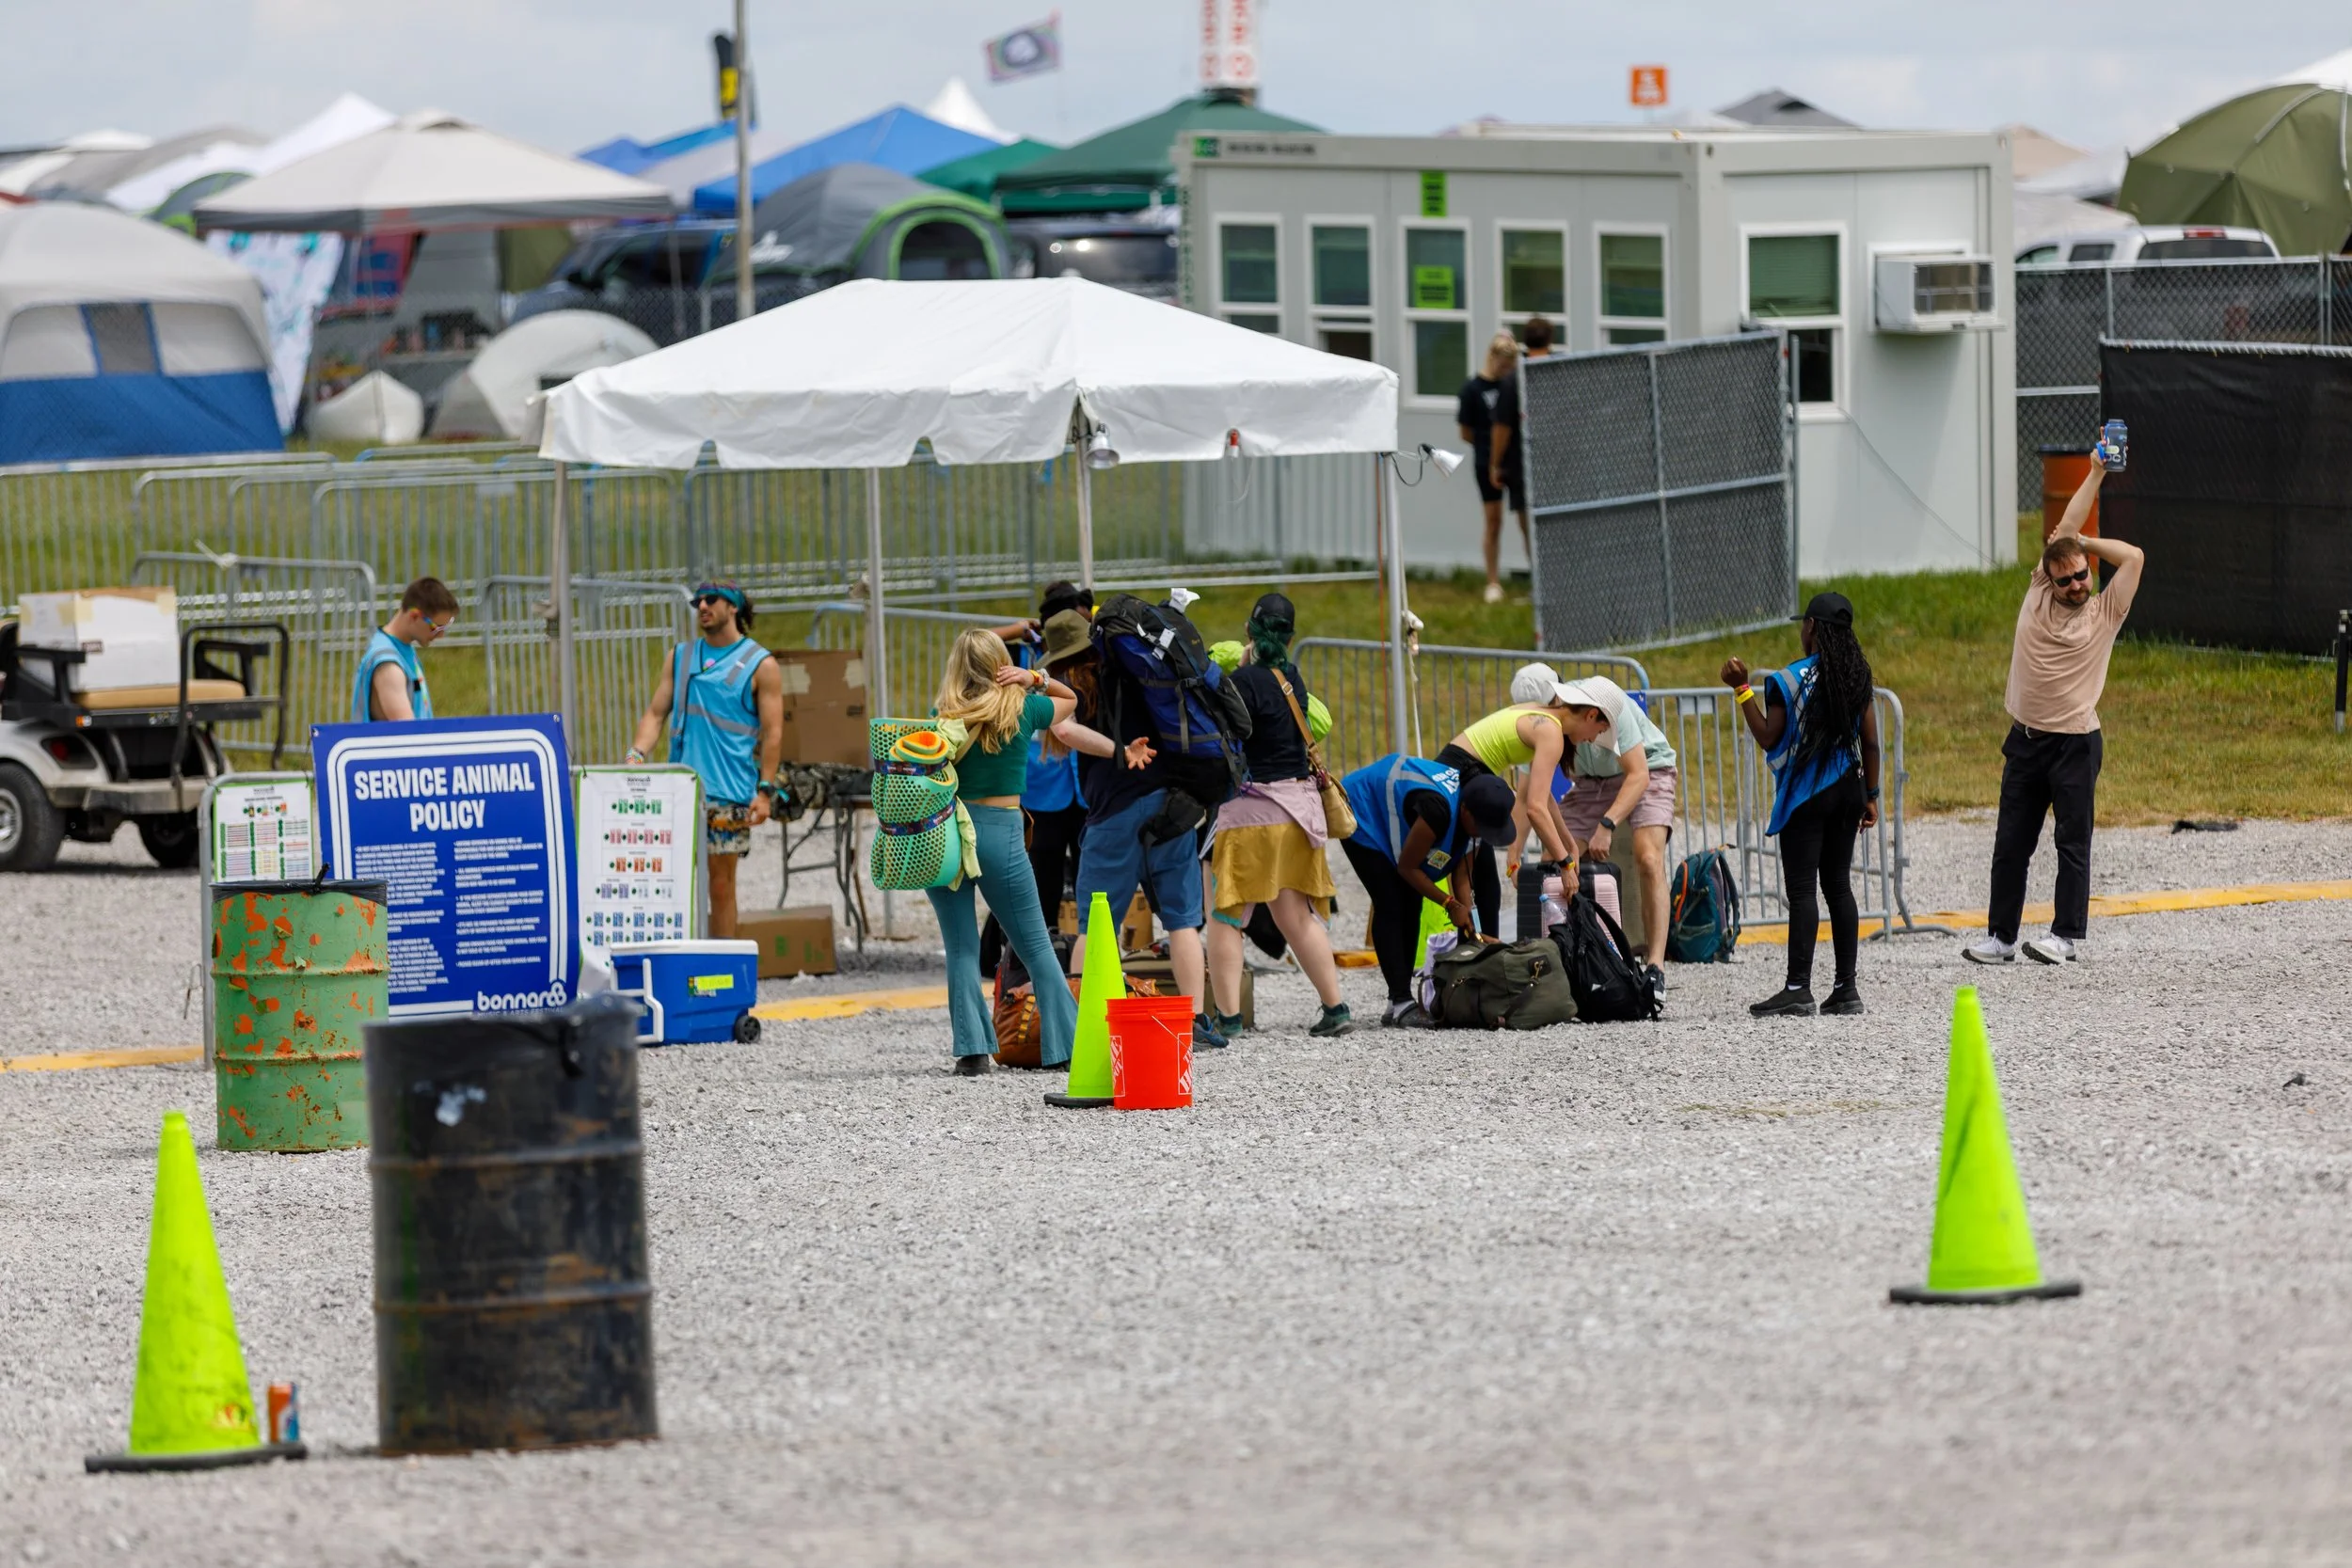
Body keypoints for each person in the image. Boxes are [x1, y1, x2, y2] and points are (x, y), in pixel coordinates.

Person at [1965, 450, 2144, 966]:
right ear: (2047, 578)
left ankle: (2064, 937)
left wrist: (2083, 543)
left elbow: (2132, 557)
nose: (2075, 586)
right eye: (2065, 578)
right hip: (2025, 739)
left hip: (2074, 742)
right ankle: (2000, 939)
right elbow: (2063, 522)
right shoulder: (2039, 590)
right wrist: (2095, 472)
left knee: (2072, 842)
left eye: (2082, 576)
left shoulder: (2106, 609)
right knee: (2010, 845)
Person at [1053, 613, 1232, 1051]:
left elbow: (1061, 729)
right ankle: (1193, 1022)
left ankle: (1086, 1023)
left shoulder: (1073, 689)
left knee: (1096, 928)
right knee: (1183, 920)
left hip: (1112, 813)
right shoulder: (1143, 674)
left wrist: (1115, 752)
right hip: (1168, 805)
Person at [924, 628, 1081, 1077]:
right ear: (1001, 665)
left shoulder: (944, 716)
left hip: (948, 834)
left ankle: (972, 1052)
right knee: (1034, 944)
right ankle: (1063, 1047)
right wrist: (1034, 678)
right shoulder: (1024, 709)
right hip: (1000, 832)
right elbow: (1070, 702)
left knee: (960, 946)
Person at [1200, 593, 1355, 1039]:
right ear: (1290, 637)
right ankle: (1335, 1007)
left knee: (1225, 916)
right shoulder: (1293, 680)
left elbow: (1226, 736)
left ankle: (1228, 1018)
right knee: (1297, 917)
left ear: (1248, 632)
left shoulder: (1241, 682)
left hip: (1251, 813)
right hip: (1299, 812)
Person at [1721, 591, 1883, 1017]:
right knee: (1839, 887)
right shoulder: (1856, 676)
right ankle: (1846, 989)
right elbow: (1870, 741)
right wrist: (1872, 796)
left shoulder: (1786, 680)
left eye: (1803, 624)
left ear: (1812, 628)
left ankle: (1797, 988)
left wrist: (1741, 689)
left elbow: (1769, 736)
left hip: (1807, 795)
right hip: (1849, 787)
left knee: (1802, 890)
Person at [625, 582, 784, 941]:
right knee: (673, 887)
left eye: (712, 600)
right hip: (679, 790)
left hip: (728, 794)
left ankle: (722, 967)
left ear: (734, 609)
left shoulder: (762, 665)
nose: (703, 607)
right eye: (698, 601)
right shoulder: (680, 656)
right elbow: (655, 714)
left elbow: (773, 734)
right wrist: (636, 755)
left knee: (721, 887)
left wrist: (765, 792)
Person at [1522, 668, 1679, 993]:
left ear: (1558, 699)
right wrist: (1514, 852)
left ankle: (1655, 966)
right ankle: (1559, 961)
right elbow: (1528, 794)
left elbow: (1639, 776)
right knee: (1551, 861)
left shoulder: (1605, 701)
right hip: (1591, 784)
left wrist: (1606, 825)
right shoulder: (1539, 724)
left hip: (1647, 768)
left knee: (1648, 857)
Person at [1338, 754, 1520, 1028]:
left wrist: (1467, 916)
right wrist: (1449, 904)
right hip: (1362, 808)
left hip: (1395, 815)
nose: (1485, 834)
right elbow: (1408, 868)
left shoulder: (1476, 813)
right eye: (1484, 829)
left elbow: (1461, 873)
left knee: (1412, 903)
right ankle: (1399, 1002)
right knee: (1393, 900)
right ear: (1467, 812)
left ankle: (1396, 1004)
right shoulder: (1438, 811)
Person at [977, 585, 1094, 977]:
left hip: (1081, 786)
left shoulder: (1085, 656)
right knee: (1040, 876)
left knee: (1085, 877)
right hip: (1042, 788)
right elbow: (976, 644)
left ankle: (1076, 956)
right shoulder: (1022, 657)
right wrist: (1018, 629)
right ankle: (1022, 961)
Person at [1438, 679, 1582, 939]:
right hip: (1465, 773)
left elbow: (1543, 796)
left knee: (1484, 881)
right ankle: (1476, 950)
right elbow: (1536, 809)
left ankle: (1479, 951)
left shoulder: (1537, 716)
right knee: (1472, 875)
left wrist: (1568, 843)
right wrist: (1566, 864)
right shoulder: (1550, 731)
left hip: (1461, 767)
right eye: (1596, 731)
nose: (1591, 740)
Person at [1456, 331, 1527, 605]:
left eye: (1511, 366)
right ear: (1492, 357)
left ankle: (1537, 580)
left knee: (1526, 522)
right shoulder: (1472, 389)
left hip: (1516, 462)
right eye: (1503, 365)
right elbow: (1466, 432)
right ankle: (1493, 581)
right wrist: (1490, 451)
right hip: (1487, 462)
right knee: (1493, 522)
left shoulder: (1513, 386)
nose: (1507, 371)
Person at [350, 577, 457, 722]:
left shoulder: (401, 649)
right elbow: (409, 736)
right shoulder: (389, 667)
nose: (441, 635)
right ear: (414, 616)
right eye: (437, 628)